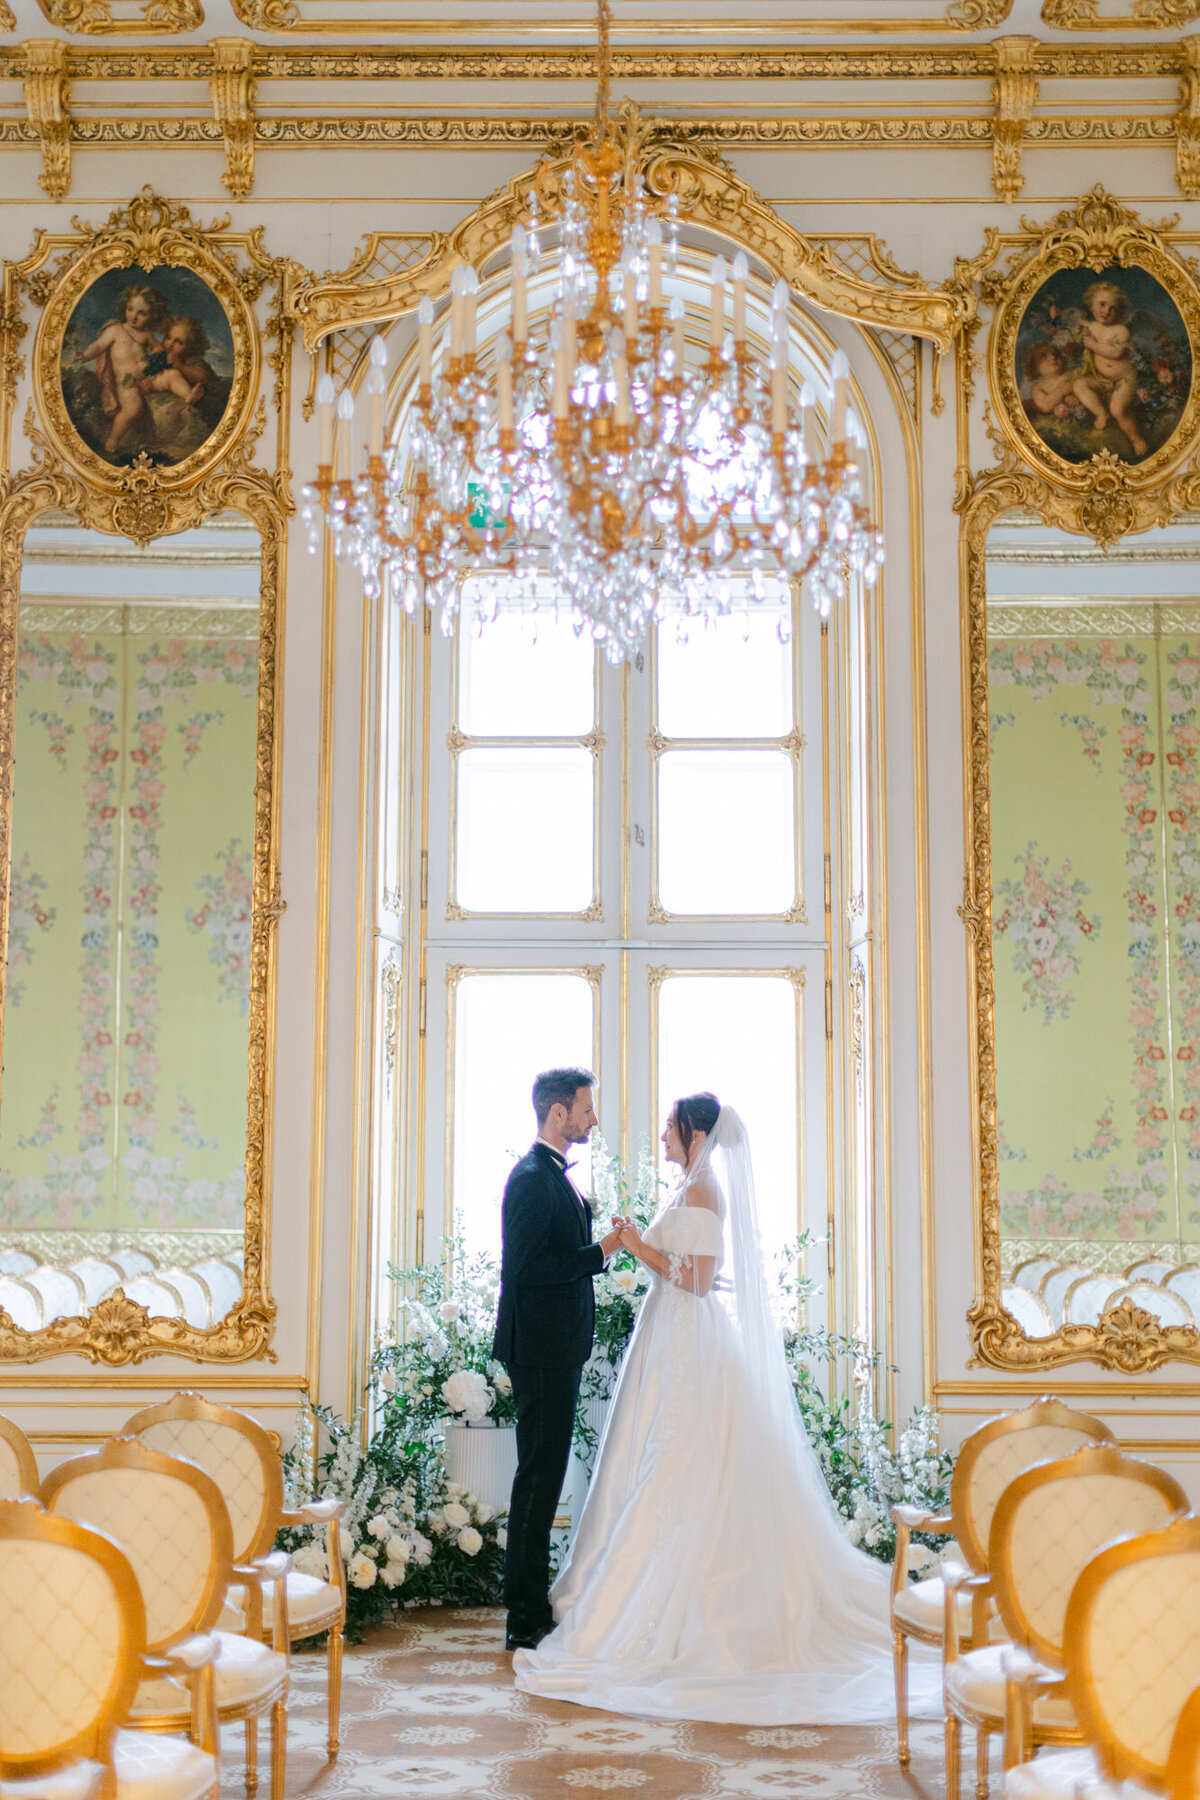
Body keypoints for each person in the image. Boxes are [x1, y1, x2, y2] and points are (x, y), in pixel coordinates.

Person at [513, 1092, 941, 1725]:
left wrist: (632, 1247)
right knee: (652, 1456)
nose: (661, 1135)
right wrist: (632, 1242)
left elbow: (697, 1278)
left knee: (678, 1459)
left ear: (695, 1134)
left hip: (688, 1338)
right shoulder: (689, 1185)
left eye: (669, 1128)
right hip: (666, 1337)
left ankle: (664, 1600)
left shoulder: (706, 1190)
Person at [493, 1067, 625, 1653]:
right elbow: (526, 1272)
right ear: (557, 1114)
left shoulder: (551, 1176)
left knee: (542, 1482)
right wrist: (600, 1252)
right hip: (541, 1353)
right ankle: (523, 1618)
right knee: (537, 1483)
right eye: (586, 1109)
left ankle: (528, 1606)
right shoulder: (530, 1179)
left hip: (553, 1349)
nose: (592, 1119)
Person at [70, 284, 165, 456]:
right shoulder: (115, 330)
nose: (134, 317)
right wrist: (84, 356)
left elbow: (160, 350)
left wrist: (157, 354)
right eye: (130, 309)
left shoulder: (146, 335)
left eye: (142, 313)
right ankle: (112, 440)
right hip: (125, 382)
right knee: (132, 410)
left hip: (142, 380)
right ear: (124, 307)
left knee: (167, 381)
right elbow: (98, 346)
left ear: (152, 316)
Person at [1074, 281, 1149, 457]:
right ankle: (1101, 413)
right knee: (1079, 385)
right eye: (1102, 304)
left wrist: (1092, 344)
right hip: (1102, 379)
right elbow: (1070, 324)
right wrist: (1055, 317)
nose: (1107, 311)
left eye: (1113, 308)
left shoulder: (1121, 330)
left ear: (1120, 311)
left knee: (1118, 409)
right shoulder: (1090, 327)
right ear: (1090, 304)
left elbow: (1115, 352)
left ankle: (1136, 438)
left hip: (1124, 379)